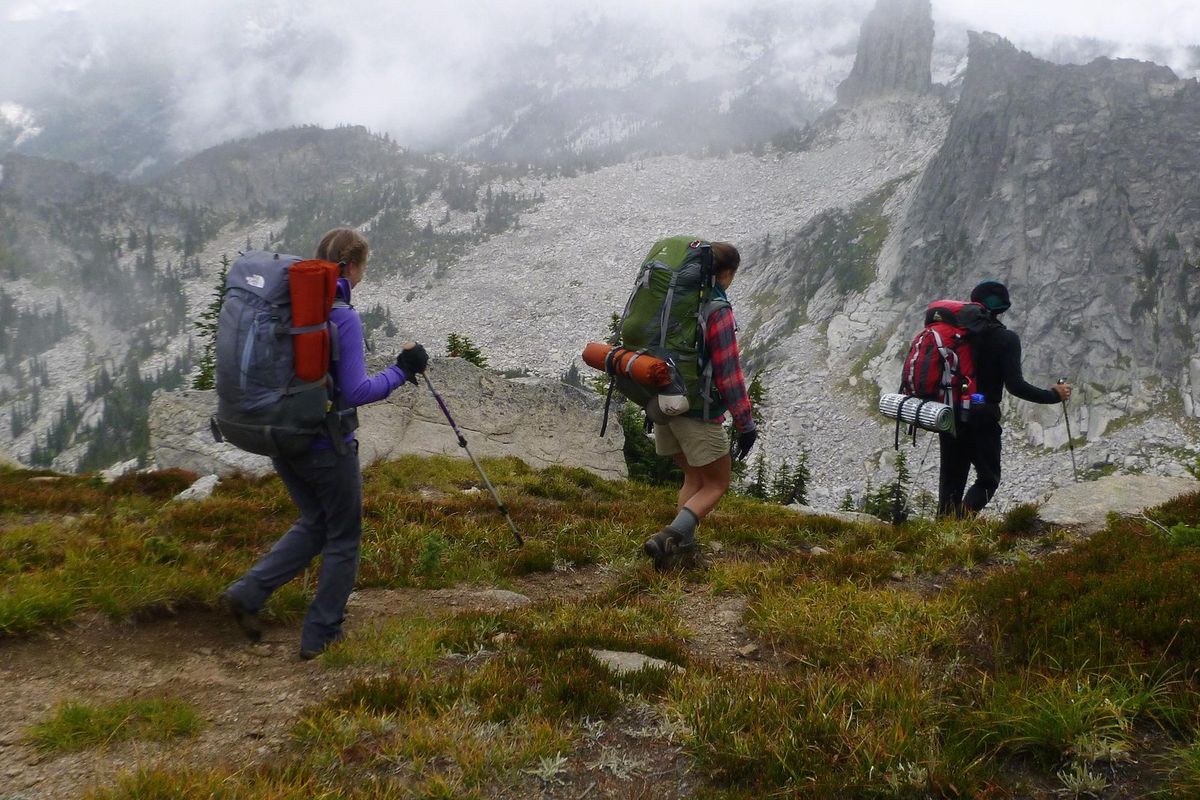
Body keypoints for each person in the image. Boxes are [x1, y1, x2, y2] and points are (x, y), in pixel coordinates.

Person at [221, 228, 428, 659]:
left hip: (280, 436)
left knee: (315, 521)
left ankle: (248, 591)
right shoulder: (342, 316)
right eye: (363, 267)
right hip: (325, 444)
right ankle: (321, 634)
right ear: (352, 268)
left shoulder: (291, 307)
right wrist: (402, 371)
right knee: (343, 536)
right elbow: (356, 391)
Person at [643, 241, 756, 569]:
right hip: (697, 409)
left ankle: (682, 553)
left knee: (693, 479)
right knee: (717, 483)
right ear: (726, 274)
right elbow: (729, 372)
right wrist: (744, 422)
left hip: (664, 403)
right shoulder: (716, 309)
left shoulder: (673, 301)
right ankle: (669, 537)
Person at [938, 280, 1071, 517]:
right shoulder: (1005, 338)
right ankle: (959, 526)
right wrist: (1053, 396)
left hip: (951, 411)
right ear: (1002, 308)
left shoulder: (956, 334)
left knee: (951, 481)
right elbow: (1016, 386)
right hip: (981, 411)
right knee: (988, 479)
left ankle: (940, 539)